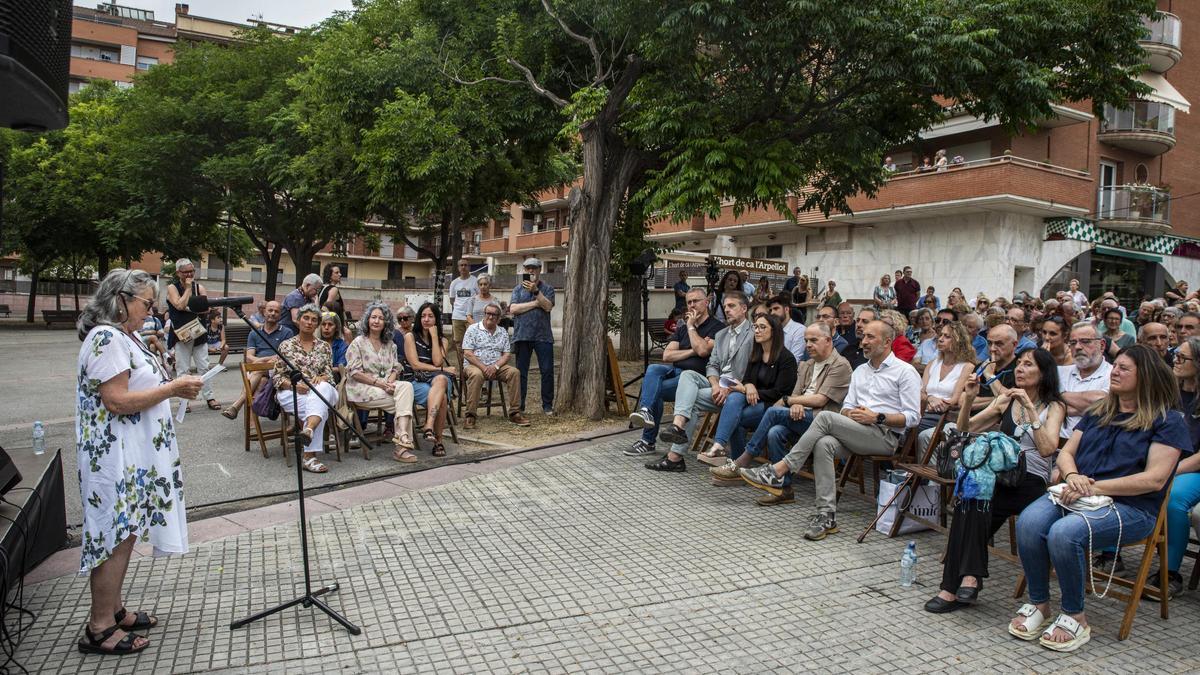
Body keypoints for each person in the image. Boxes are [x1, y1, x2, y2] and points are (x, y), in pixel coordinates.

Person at [1011, 345, 1190, 652]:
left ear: (1144, 376)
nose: (1114, 372)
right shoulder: (1100, 411)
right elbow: (1066, 453)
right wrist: (1071, 476)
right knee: (1028, 521)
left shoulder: (1167, 420)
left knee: (1064, 533)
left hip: (1132, 507)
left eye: (1123, 368)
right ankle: (1040, 604)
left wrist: (1094, 487)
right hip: (1078, 493)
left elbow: (1155, 479)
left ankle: (1075, 615)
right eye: (1115, 366)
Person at [74, 269, 204, 656]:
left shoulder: (122, 336)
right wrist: (173, 388)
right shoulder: (105, 337)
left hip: (129, 455)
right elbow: (116, 400)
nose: (151, 311)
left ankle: (113, 610)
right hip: (114, 456)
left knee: (125, 532)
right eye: (147, 304)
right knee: (114, 536)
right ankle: (99, 627)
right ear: (120, 301)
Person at [740, 320, 921, 540]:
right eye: (863, 337)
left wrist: (877, 417)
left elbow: (913, 418)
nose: (863, 342)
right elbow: (846, 407)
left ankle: (779, 470)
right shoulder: (861, 371)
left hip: (885, 436)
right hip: (856, 429)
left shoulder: (905, 371)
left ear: (887, 341)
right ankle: (826, 515)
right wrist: (851, 415)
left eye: (870, 337)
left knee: (825, 417)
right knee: (823, 443)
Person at [923, 349, 1066, 613]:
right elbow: (964, 431)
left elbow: (1048, 449)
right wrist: (968, 399)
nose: (1019, 369)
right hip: (1000, 478)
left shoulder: (1054, 406)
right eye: (1019, 364)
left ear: (1044, 373)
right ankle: (967, 579)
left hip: (1031, 482)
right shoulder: (1005, 400)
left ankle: (954, 587)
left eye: (1028, 365)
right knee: (971, 499)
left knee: (974, 496)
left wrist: (1031, 410)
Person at [709, 323, 852, 503]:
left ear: (829, 340)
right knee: (774, 432)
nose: (808, 345)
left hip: (822, 420)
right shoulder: (807, 365)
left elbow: (820, 400)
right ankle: (783, 490)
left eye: (814, 340)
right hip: (799, 415)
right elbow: (795, 394)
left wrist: (790, 402)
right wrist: (794, 403)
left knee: (774, 412)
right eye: (806, 340)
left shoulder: (840, 365)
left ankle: (742, 461)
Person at [645, 292, 752, 471]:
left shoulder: (752, 334)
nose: (727, 310)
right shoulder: (723, 334)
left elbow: (752, 368)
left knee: (690, 397)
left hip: (739, 389)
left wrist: (729, 386)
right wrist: (716, 384)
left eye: (732, 306)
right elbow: (712, 364)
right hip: (717, 386)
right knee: (688, 376)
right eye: (725, 307)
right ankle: (677, 428)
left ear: (744, 308)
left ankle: (674, 457)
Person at [625, 288, 724, 457]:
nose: (692, 305)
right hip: (676, 371)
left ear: (706, 302)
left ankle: (647, 441)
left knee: (654, 390)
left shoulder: (717, 328)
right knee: (653, 369)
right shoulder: (682, 328)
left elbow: (702, 351)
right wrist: (692, 350)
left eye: (696, 301)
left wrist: (692, 327)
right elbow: (667, 355)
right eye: (689, 302)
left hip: (696, 379)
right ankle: (646, 412)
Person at [696, 313, 797, 468]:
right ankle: (720, 446)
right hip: (752, 400)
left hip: (773, 404)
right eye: (755, 326)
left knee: (737, 417)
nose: (757, 330)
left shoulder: (786, 358)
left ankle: (736, 464)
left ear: (774, 331)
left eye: (762, 327)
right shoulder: (756, 353)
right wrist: (748, 386)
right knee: (735, 397)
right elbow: (747, 379)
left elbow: (781, 392)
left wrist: (748, 390)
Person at [1152, 336, 1200, 597]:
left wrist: (1169, 470)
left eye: (1182, 358)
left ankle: (1170, 573)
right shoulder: (1169, 392)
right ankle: (1112, 557)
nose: (1175, 361)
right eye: (1175, 356)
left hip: (1193, 468)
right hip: (1166, 459)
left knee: (1174, 499)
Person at [345, 301, 417, 462]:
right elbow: (355, 372)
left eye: (381, 318)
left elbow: (396, 368)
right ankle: (402, 446)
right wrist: (380, 384)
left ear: (386, 323)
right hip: (361, 388)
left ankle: (403, 438)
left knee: (406, 387)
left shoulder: (390, 344)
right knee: (404, 401)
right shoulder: (358, 343)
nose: (376, 321)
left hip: (386, 387)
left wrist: (390, 383)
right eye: (373, 317)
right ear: (367, 320)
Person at [273, 304, 339, 474]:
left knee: (323, 390)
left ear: (317, 324)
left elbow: (329, 376)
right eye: (306, 318)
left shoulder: (324, 347)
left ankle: (308, 433)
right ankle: (309, 453)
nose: (309, 322)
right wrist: (294, 385)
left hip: (320, 389)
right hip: (292, 392)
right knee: (320, 408)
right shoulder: (286, 346)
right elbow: (277, 377)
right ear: (298, 320)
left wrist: (321, 378)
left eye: (314, 320)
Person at [222, 300, 294, 421]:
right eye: (270, 310)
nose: (272, 313)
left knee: (258, 371)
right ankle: (253, 426)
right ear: (264, 312)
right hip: (259, 370)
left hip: (278, 370)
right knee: (260, 380)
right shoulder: (254, 333)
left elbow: (283, 357)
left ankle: (237, 404)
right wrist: (263, 361)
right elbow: (249, 357)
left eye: (276, 311)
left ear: (280, 315)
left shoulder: (287, 332)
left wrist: (261, 361)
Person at [165, 258, 221, 411]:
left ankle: (209, 397)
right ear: (178, 273)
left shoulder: (200, 287)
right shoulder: (172, 287)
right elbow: (179, 304)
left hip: (198, 333)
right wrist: (188, 290)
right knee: (183, 368)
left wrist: (187, 307)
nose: (190, 274)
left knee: (204, 366)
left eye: (192, 271)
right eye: (186, 272)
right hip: (181, 334)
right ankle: (184, 401)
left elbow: (205, 309)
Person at [462, 302, 527, 428]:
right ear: (484, 314)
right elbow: (468, 354)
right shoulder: (473, 329)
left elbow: (507, 354)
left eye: (494, 315)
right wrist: (484, 368)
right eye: (488, 314)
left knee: (514, 372)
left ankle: (515, 413)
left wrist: (495, 367)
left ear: (499, 318)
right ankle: (470, 416)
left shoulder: (502, 331)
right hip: (475, 365)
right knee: (477, 375)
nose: (490, 317)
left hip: (496, 367)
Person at [404, 302, 456, 456]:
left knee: (440, 380)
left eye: (431, 316)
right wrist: (442, 370)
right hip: (415, 380)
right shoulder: (410, 337)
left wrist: (434, 337)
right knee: (443, 397)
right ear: (419, 318)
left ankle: (428, 427)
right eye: (423, 316)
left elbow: (438, 361)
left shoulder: (443, 341)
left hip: (436, 381)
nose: (426, 319)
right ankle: (438, 441)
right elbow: (415, 365)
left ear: (436, 320)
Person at [510, 258, 555, 416]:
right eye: (528, 268)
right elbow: (513, 309)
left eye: (534, 268)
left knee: (547, 371)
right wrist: (536, 303)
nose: (531, 271)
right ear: (524, 270)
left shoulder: (547, 288)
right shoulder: (517, 289)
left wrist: (536, 292)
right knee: (521, 373)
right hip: (522, 336)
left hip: (543, 336)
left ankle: (547, 406)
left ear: (539, 270)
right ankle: (520, 406)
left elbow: (548, 306)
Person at [917, 320, 975, 432]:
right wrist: (930, 398)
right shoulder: (932, 363)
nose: (940, 339)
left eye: (947, 336)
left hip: (944, 416)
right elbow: (921, 392)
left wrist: (935, 403)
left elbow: (954, 399)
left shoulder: (967, 367)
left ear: (958, 341)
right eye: (941, 335)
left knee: (911, 427)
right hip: (924, 410)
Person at [1058, 322, 1112, 438]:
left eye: (1085, 341)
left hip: (1094, 448)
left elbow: (1106, 405)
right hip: (1054, 447)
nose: (1077, 347)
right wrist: (1090, 410)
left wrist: (1057, 396)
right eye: (1073, 343)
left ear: (1102, 345)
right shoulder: (1059, 372)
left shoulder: (1113, 374)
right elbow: (1043, 406)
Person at [448, 259, 479, 354]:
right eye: (461, 265)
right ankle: (462, 368)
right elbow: (452, 300)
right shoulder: (454, 283)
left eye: (466, 265)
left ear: (469, 267)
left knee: (473, 343)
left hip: (471, 317)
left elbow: (479, 297)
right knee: (459, 343)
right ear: (458, 268)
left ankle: (472, 366)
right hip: (457, 317)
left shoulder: (475, 281)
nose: (463, 267)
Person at [766, 293, 805, 363]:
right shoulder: (772, 330)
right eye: (770, 310)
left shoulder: (799, 330)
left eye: (776, 308)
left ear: (786, 309)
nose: (772, 313)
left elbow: (794, 361)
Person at [317, 263, 348, 339]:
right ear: (330, 275)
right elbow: (327, 307)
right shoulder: (333, 289)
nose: (340, 274)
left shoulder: (321, 287)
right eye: (336, 273)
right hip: (332, 325)